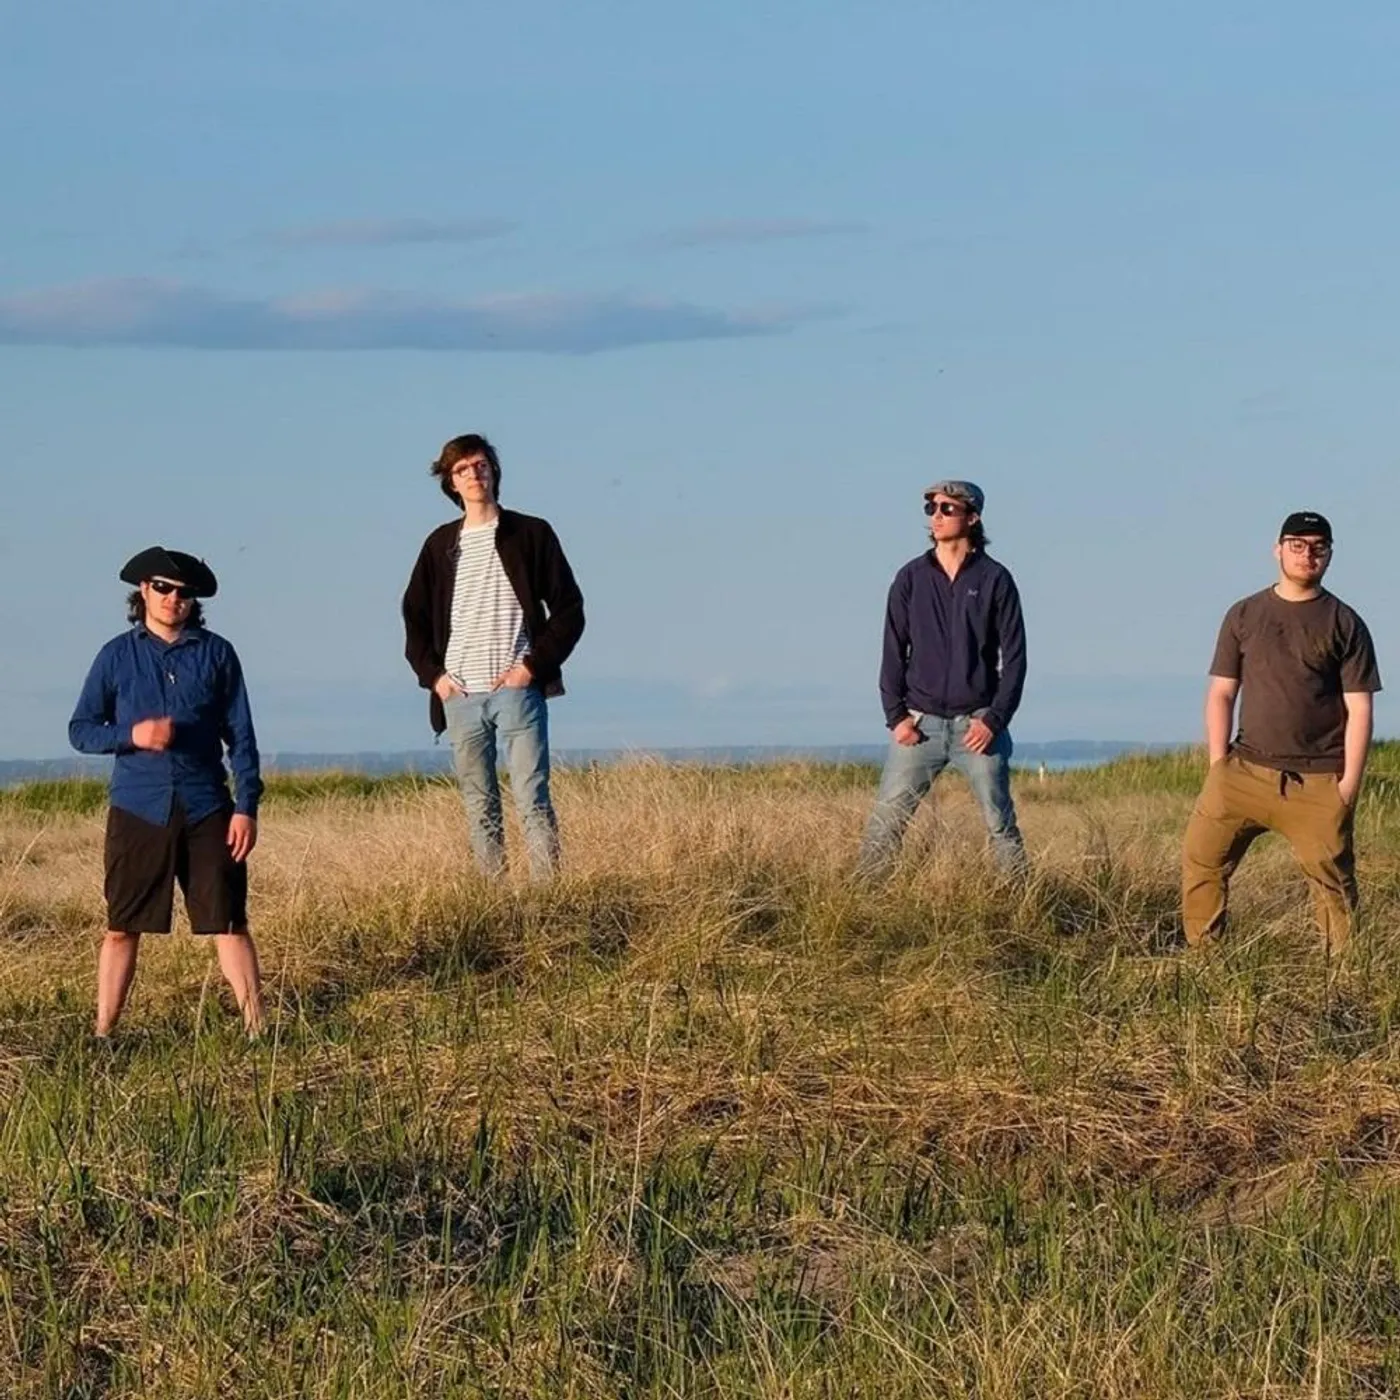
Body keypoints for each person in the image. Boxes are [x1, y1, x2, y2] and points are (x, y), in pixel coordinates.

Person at [69, 547, 265, 1037]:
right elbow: (81, 729)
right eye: (162, 588)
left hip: (207, 808)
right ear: (143, 591)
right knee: (121, 926)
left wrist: (245, 808)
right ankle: (103, 1035)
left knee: (228, 922)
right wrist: (131, 736)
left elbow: (241, 736)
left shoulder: (217, 653)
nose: (173, 598)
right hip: (138, 807)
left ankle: (259, 1029)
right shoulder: (117, 655)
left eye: (183, 592)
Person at [1181, 511, 1381, 953]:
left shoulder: (1345, 622)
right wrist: (1219, 766)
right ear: (1277, 550)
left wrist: (1348, 786)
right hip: (1243, 771)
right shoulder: (1245, 613)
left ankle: (1345, 979)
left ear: (1329, 555)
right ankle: (1205, 963)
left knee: (1334, 890)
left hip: (1318, 781)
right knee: (1202, 863)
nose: (1308, 554)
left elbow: (1360, 708)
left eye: (1318, 547)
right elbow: (1221, 694)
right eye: (1297, 544)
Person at [402, 433, 585, 879]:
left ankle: (548, 901)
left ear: (494, 472)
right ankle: (493, 902)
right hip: (461, 694)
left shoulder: (531, 533)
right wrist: (436, 679)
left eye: (480, 465)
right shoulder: (439, 545)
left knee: (531, 795)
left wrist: (530, 668)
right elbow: (414, 617)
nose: (473, 474)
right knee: (478, 802)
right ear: (450, 482)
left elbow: (569, 610)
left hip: (516, 690)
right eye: (462, 469)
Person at [857, 480, 1028, 877]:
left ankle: (1025, 912)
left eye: (947, 509)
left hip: (977, 725)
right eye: (931, 508)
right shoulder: (910, 578)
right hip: (919, 725)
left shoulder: (994, 579)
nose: (937, 515)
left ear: (972, 517)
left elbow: (1015, 659)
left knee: (1001, 826)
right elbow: (892, 650)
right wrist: (896, 716)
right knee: (884, 827)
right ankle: (859, 909)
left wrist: (994, 720)